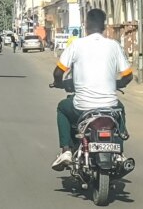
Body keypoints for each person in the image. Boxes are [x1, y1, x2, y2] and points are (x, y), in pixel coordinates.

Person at [51, 9, 132, 171]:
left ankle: (66, 150)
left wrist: (58, 82)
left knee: (62, 108)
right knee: (120, 109)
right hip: (109, 106)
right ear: (103, 26)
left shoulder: (76, 45)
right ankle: (119, 152)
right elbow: (128, 76)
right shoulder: (114, 46)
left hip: (82, 107)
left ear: (86, 25)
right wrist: (117, 84)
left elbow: (58, 72)